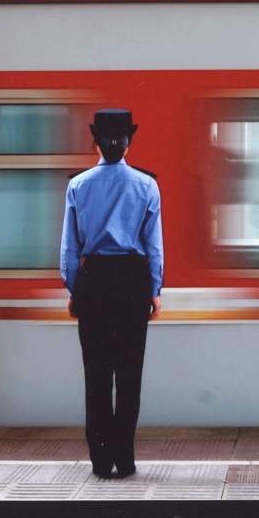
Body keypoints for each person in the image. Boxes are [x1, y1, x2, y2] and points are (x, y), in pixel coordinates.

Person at [60, 109, 163, 479]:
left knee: (97, 376)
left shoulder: (78, 185)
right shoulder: (147, 185)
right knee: (130, 375)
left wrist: (74, 288)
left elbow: (70, 248)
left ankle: (101, 462)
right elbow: (154, 246)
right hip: (134, 282)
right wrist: (153, 290)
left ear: (95, 143)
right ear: (129, 141)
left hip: (95, 282)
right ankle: (126, 458)